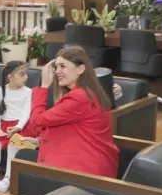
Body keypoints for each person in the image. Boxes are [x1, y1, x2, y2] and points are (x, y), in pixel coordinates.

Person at [27, 46, 120, 177]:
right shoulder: (87, 92)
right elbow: (72, 129)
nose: (57, 71)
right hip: (90, 162)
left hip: (84, 170)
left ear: (80, 69)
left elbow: (36, 121)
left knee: (22, 161)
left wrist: (44, 86)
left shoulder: (79, 97)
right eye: (56, 67)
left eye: (63, 66)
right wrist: (39, 141)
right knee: (23, 156)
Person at [0, 61, 32, 193]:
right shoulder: (0, 91)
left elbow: (26, 112)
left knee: (12, 145)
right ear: (10, 76)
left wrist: (18, 127)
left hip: (20, 126)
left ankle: (8, 178)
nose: (26, 77)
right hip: (3, 125)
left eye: (26, 74)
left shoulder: (28, 92)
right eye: (22, 74)